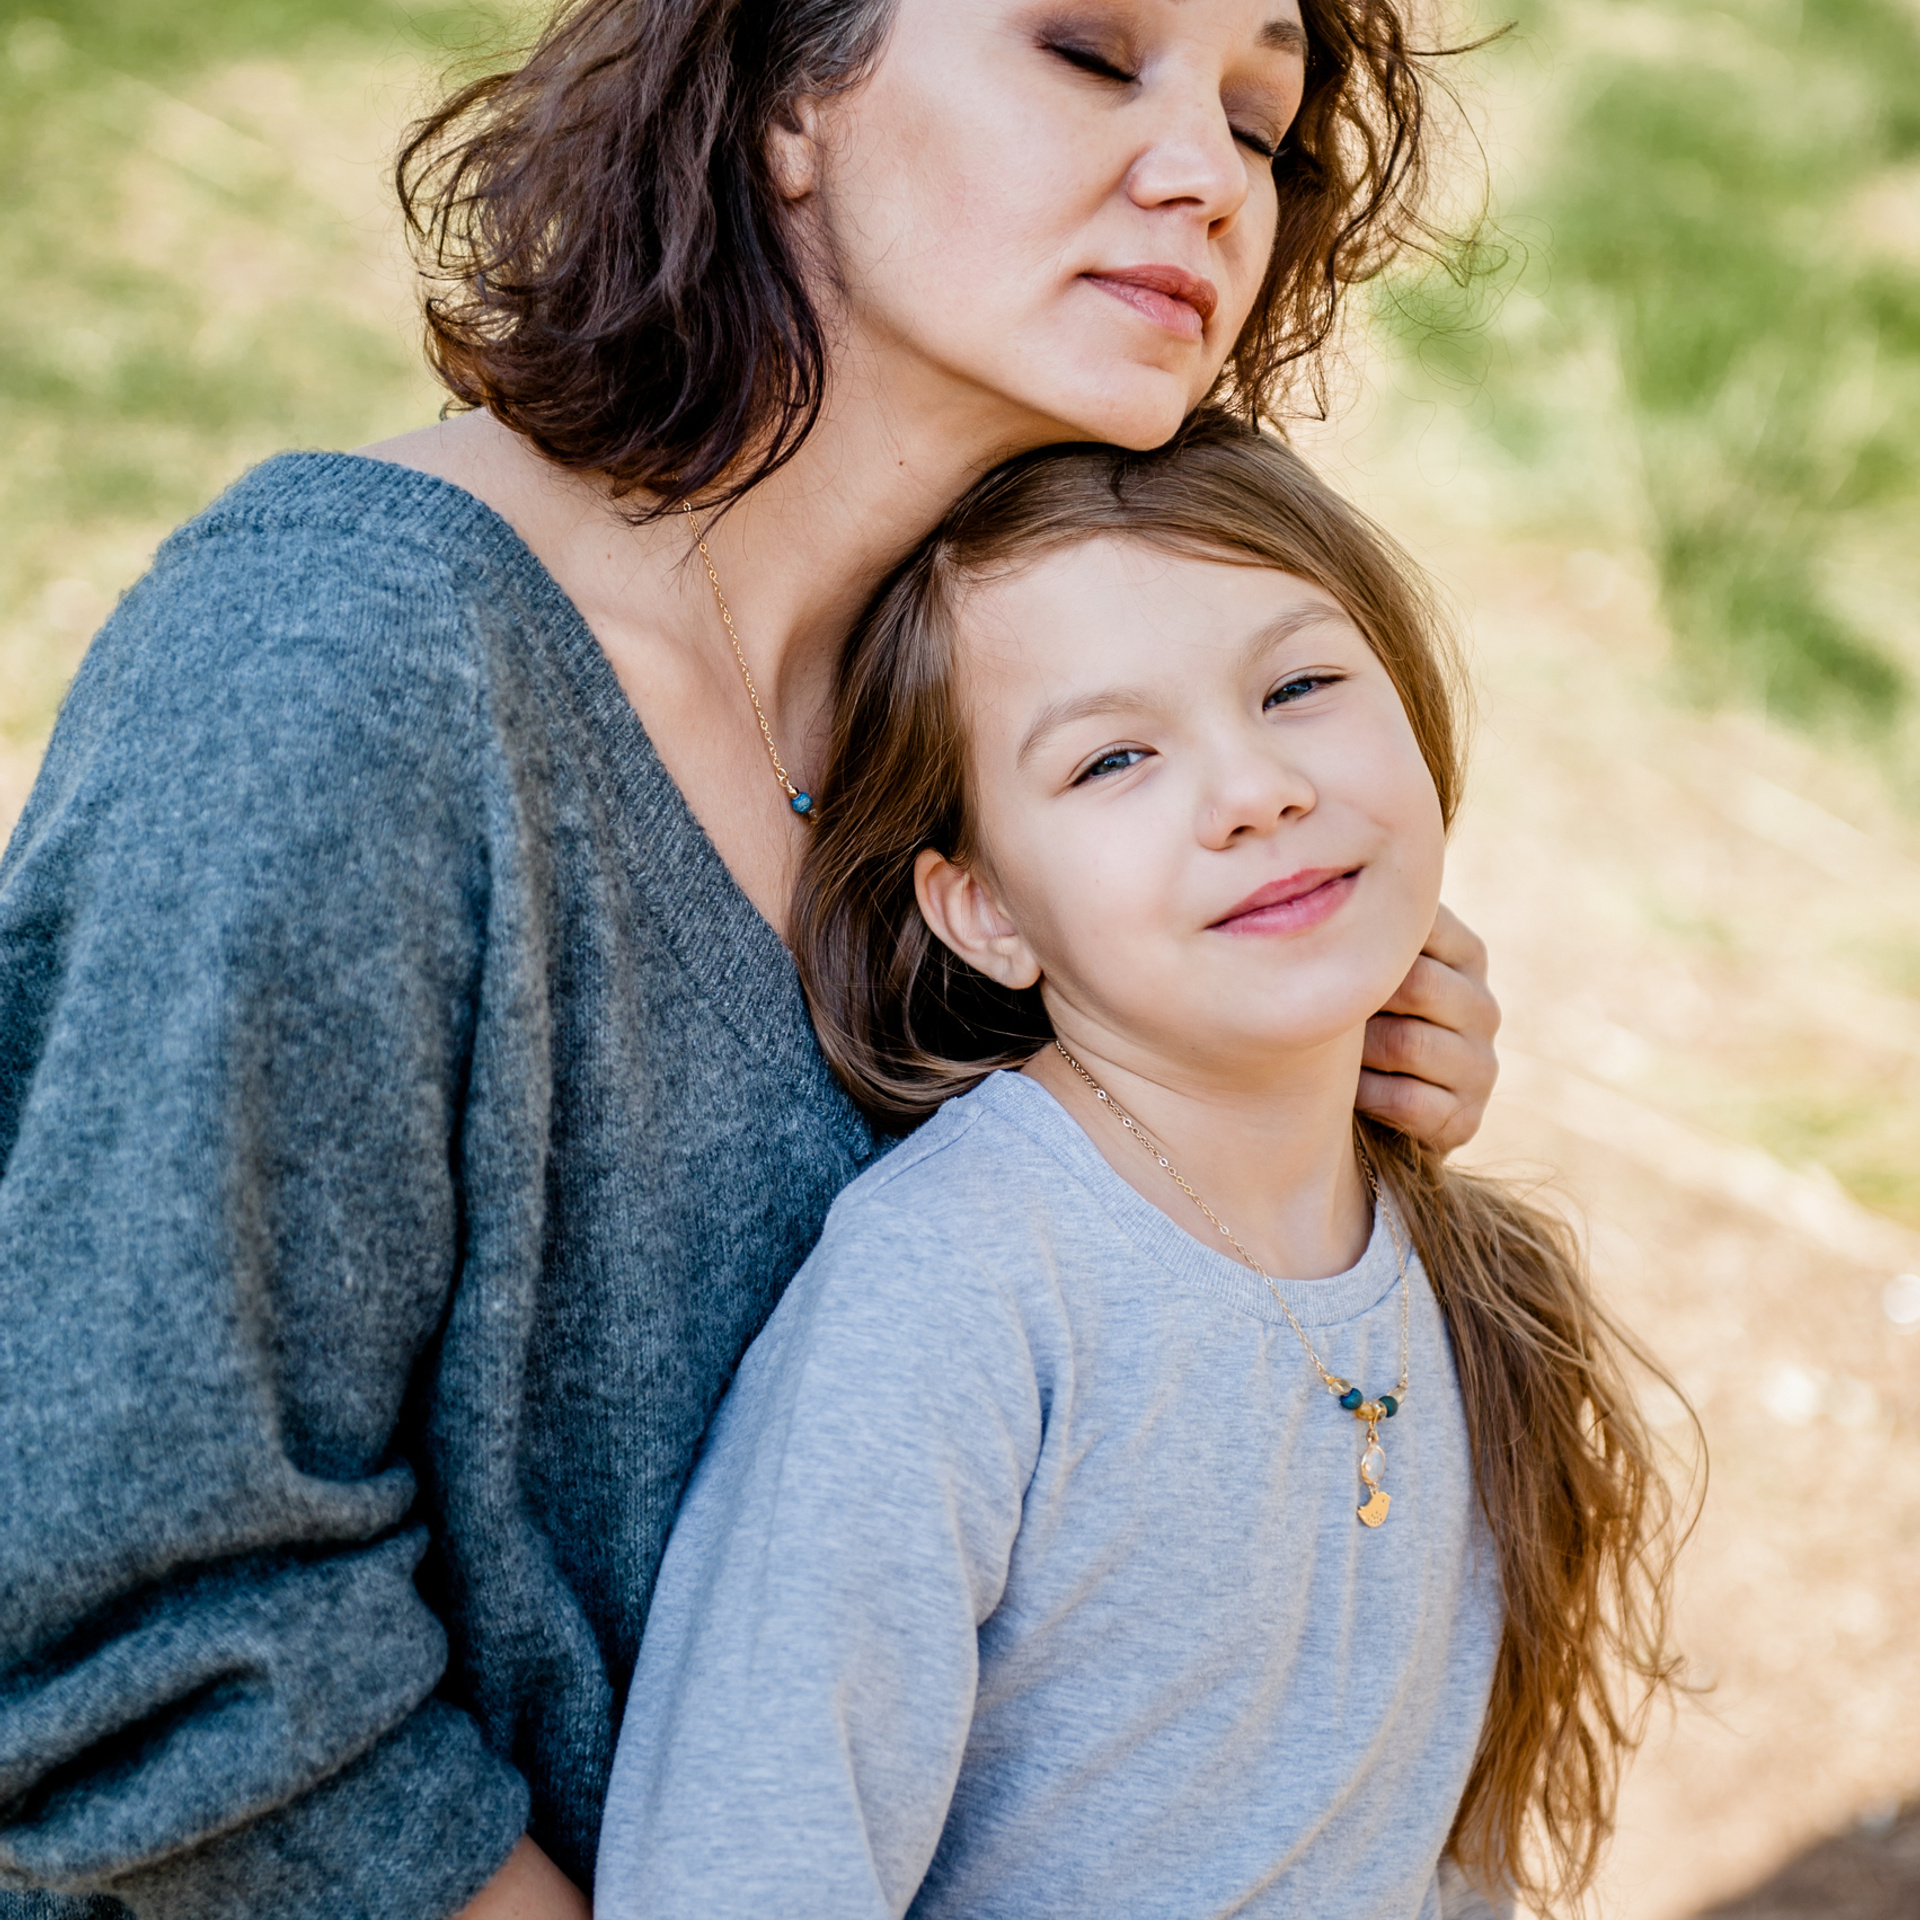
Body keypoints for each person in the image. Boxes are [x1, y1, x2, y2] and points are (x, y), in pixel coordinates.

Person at [0, 4, 1502, 1916]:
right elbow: (119, 1608)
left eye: (1258, 113)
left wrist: (1308, 1077)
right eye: (1086, 50)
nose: (1208, 172)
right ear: (789, 90)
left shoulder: (1000, 709)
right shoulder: (342, 667)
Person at [596, 416, 1683, 1920]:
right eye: (1113, 758)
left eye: (1299, 686)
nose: (1254, 789)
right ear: (984, 911)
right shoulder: (956, 1294)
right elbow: (747, 1876)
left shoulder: (1468, 1286)